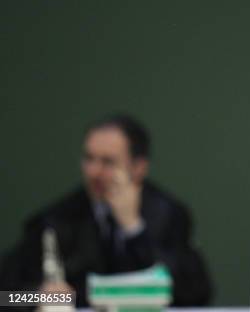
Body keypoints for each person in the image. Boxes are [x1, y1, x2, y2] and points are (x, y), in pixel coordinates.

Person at [0, 114, 213, 307]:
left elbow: (195, 294)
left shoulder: (169, 215)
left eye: (108, 162)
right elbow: (6, 296)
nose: (94, 171)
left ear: (138, 168)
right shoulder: (56, 220)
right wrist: (50, 297)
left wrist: (133, 229)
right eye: (89, 159)